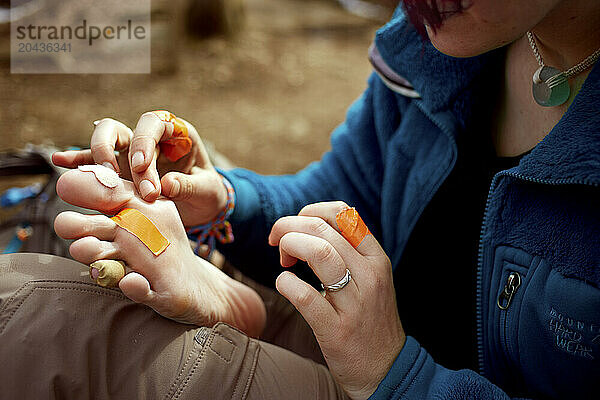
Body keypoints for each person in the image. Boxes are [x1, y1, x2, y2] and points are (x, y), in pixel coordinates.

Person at [3, 0, 600, 398]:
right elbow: (341, 197)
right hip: (366, 360)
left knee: (44, 317)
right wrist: (227, 202)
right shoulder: (440, 42)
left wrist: (395, 375)